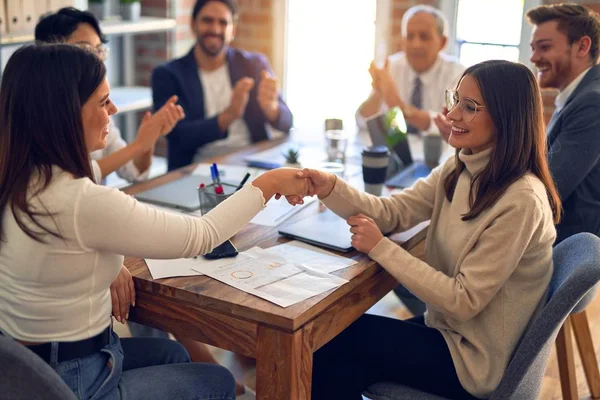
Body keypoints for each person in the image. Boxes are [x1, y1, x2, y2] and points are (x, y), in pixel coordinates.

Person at [0, 44, 310, 399]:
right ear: (65, 114)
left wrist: (139, 145)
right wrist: (267, 184)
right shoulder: (83, 202)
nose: (113, 110)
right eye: (103, 103)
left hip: (25, 372)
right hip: (75, 381)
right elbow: (202, 235)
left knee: (174, 353)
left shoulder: (17, 178)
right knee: (220, 382)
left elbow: (93, 181)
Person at [287, 60, 561, 399]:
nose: (452, 114)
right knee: (336, 350)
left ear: (506, 117)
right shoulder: (460, 165)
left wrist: (381, 248)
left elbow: (462, 300)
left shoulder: (521, 200)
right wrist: (329, 187)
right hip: (452, 333)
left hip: (476, 361)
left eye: (470, 107)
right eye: (456, 99)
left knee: (331, 346)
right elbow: (393, 212)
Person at [35, 7, 184, 184]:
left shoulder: (98, 105)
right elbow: (71, 181)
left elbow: (133, 171)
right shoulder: (39, 115)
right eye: (86, 50)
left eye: (99, 50)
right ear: (51, 54)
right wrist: (137, 145)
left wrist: (148, 140)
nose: (97, 59)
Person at [152, 0, 293, 171]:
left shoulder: (254, 64)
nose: (215, 29)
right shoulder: (168, 75)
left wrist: (272, 109)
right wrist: (228, 116)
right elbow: (177, 135)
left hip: (252, 162)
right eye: (207, 20)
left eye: (223, 22)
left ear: (232, 30)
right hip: (197, 168)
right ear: (193, 24)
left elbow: (287, 122)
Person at [527, 3, 600, 243]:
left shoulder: (593, 102)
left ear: (582, 46)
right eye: (533, 48)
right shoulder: (579, 95)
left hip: (568, 249)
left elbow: (548, 189)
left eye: (545, 47)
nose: (534, 58)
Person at [357, 5, 464, 135]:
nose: (416, 44)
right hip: (396, 151)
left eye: (424, 37)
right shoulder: (390, 67)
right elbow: (362, 122)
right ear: (402, 41)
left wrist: (402, 109)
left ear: (442, 42)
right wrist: (379, 92)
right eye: (409, 36)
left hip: (436, 154)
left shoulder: (458, 75)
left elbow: (452, 126)